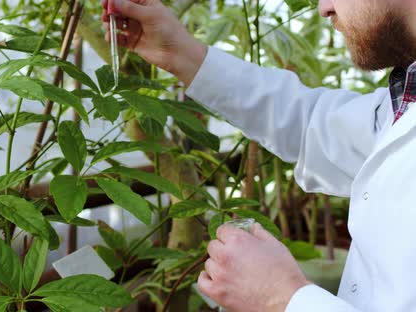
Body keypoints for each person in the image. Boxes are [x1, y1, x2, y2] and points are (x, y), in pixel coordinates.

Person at [102, 0, 416, 311]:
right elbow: (311, 123)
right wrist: (179, 53)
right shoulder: (406, 94)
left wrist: (282, 298)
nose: (323, 8)